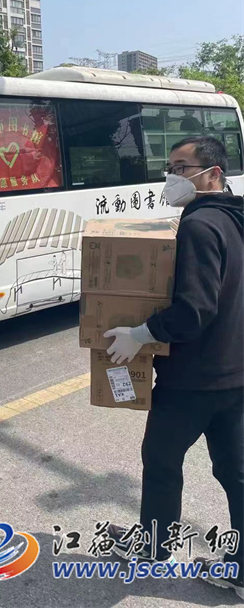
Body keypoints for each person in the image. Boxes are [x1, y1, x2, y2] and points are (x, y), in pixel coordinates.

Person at [103, 136, 244, 597]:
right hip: (235, 370)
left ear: (213, 174)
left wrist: (140, 334)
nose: (172, 177)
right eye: (170, 167)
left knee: (161, 460)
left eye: (182, 168)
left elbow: (194, 310)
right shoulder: (235, 218)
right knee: (236, 472)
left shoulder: (200, 226)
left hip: (194, 379)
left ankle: (153, 547)